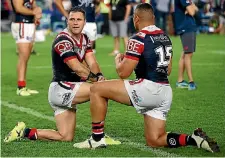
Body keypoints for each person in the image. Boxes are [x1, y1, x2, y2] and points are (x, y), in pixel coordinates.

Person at [73, 3, 220, 153]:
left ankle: (96, 139)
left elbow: (123, 73)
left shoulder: (138, 38)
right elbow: (168, 70)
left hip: (147, 89)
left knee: (97, 89)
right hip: (165, 92)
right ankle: (193, 139)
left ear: (136, 18)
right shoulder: (165, 36)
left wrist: (118, 62)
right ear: (154, 18)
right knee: (154, 140)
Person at [4, 7, 119, 144]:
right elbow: (77, 67)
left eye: (79, 19)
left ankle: (23, 132)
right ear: (67, 21)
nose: (75, 23)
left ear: (84, 22)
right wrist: (97, 81)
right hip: (61, 89)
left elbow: (92, 61)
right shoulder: (63, 40)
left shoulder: (85, 38)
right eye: (72, 19)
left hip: (70, 88)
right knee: (101, 90)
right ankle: (98, 137)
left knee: (65, 136)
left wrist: (99, 75)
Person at [10, 0, 42, 96]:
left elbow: (33, 5)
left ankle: (23, 86)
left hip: (29, 24)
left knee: (26, 57)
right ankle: (20, 87)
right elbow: (18, 8)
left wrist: (37, 12)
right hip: (22, 24)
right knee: (23, 57)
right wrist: (34, 12)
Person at [174, 0, 198, 90]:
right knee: (188, 54)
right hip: (186, 27)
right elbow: (192, 11)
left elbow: (195, 9)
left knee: (185, 54)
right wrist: (191, 7)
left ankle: (180, 81)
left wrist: (191, 7)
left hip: (187, 26)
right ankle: (191, 82)